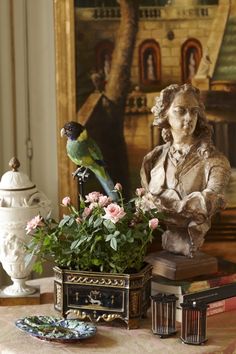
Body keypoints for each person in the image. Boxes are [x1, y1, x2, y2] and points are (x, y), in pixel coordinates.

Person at [140, 84, 231, 257]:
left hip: (191, 240)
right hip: (166, 248)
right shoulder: (153, 159)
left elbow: (208, 202)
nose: (189, 117)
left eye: (194, 111)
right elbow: (145, 198)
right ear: (165, 114)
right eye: (180, 110)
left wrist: (161, 205)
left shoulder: (215, 162)